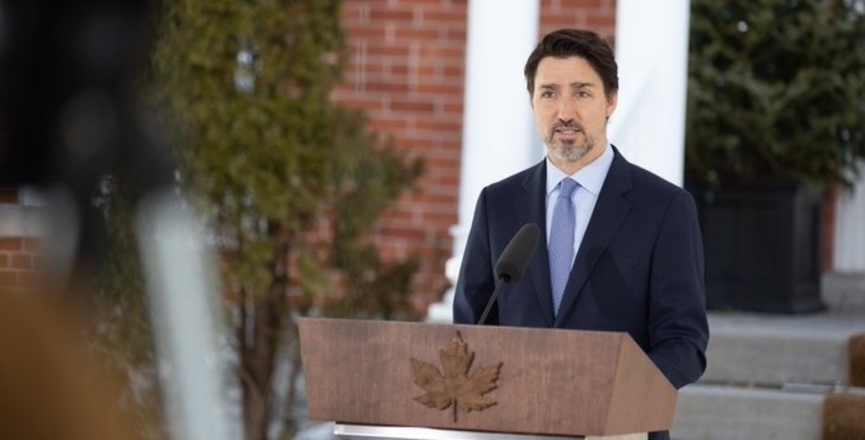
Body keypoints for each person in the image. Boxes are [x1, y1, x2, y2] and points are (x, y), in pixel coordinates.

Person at [452, 28, 709, 440]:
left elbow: (685, 343)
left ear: (611, 101)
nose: (564, 112)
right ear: (533, 102)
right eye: (549, 93)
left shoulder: (664, 208)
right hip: (513, 428)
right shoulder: (497, 204)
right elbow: (471, 325)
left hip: (618, 429)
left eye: (582, 93)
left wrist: (616, 400)